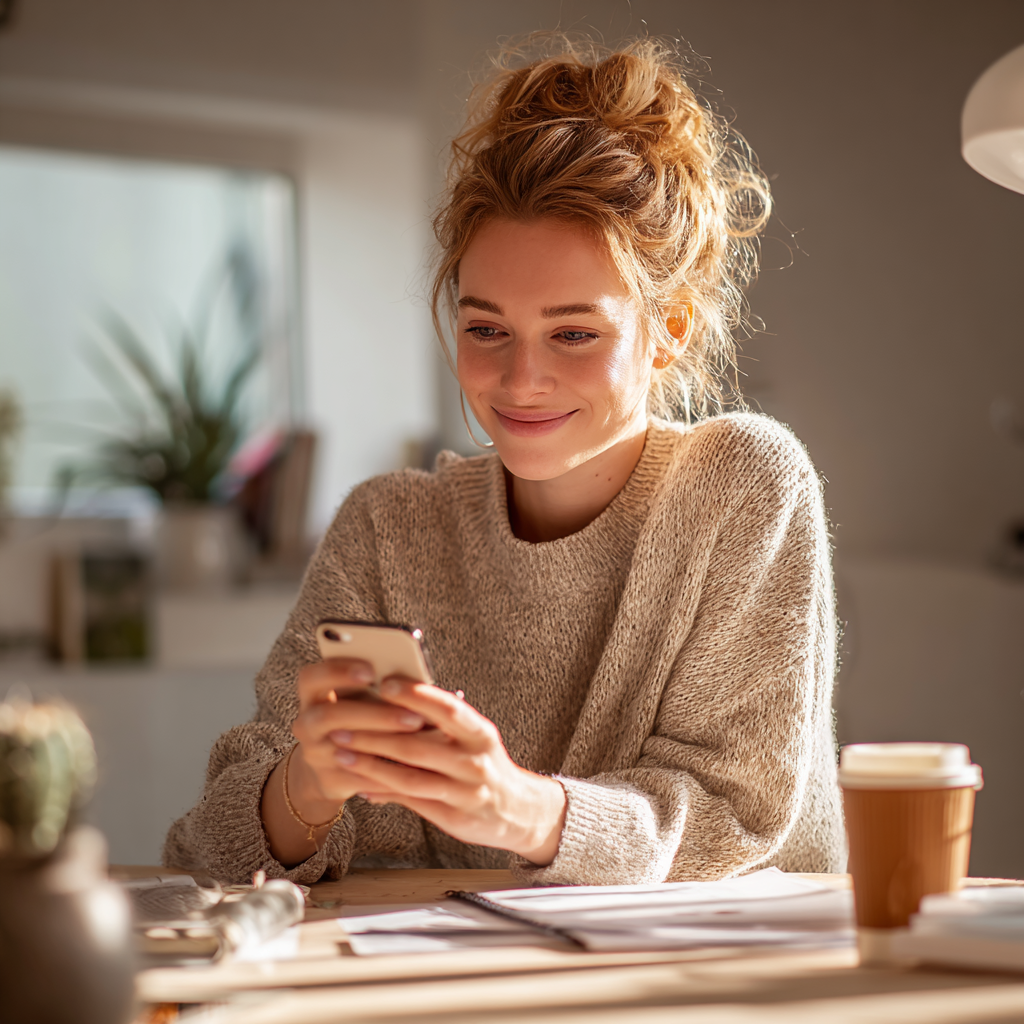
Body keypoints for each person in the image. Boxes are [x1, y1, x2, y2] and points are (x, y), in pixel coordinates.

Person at [164, 35, 845, 886]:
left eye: (573, 333)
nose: (522, 380)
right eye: (487, 329)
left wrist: (518, 809)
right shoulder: (387, 526)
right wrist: (307, 787)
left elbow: (734, 819)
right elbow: (209, 847)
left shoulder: (743, 486)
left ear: (667, 333)